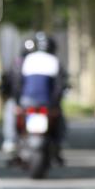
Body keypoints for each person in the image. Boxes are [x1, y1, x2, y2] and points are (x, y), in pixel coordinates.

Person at [17, 31, 67, 161]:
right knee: (60, 121)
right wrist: (55, 103)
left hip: (27, 101)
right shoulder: (55, 61)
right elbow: (60, 86)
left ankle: (13, 143)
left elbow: (18, 82)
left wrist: (18, 101)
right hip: (47, 103)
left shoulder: (26, 60)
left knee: (17, 118)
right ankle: (58, 146)